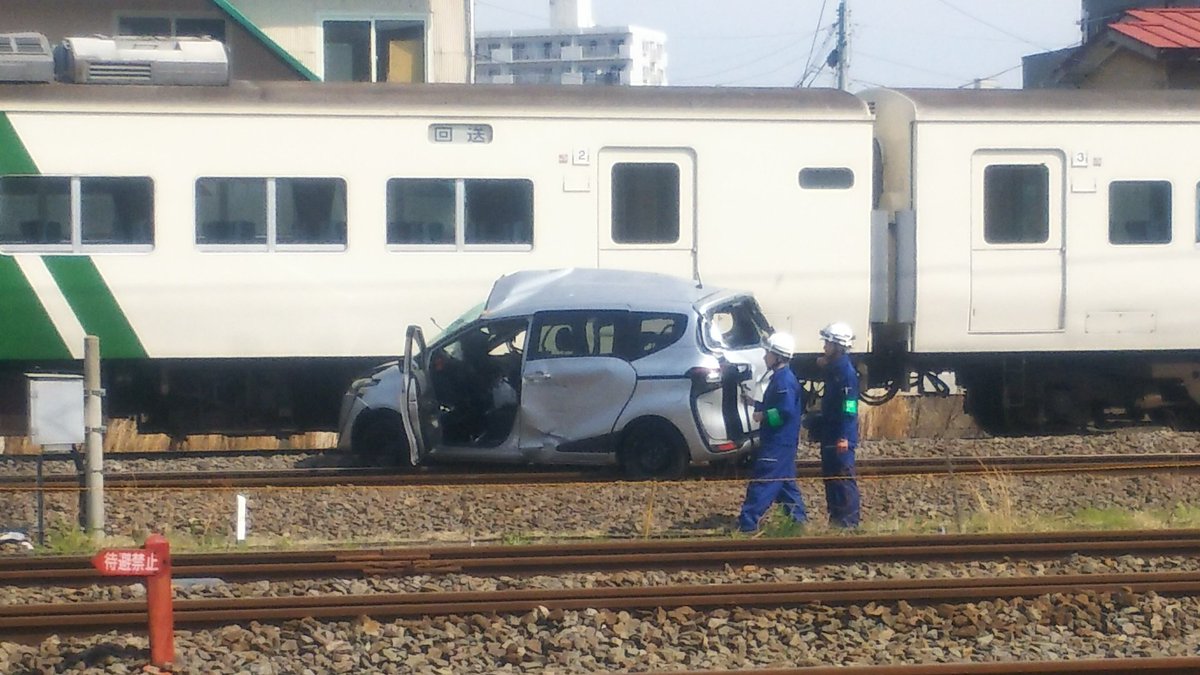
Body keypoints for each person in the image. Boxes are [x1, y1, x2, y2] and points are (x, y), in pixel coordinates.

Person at [737, 332, 807, 532]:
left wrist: (764, 416)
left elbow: (785, 412)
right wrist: (755, 403)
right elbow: (777, 405)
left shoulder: (783, 380)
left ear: (778, 356)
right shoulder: (781, 377)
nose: (764, 357)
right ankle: (798, 522)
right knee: (785, 485)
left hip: (778, 442)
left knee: (763, 482)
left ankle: (748, 525)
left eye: (767, 353)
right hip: (782, 442)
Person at [810, 322, 862, 528]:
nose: (824, 347)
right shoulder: (834, 370)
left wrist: (845, 438)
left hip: (840, 436)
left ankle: (849, 522)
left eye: (828, 343)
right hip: (830, 433)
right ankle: (837, 519)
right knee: (831, 477)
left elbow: (849, 409)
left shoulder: (846, 374)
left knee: (842, 477)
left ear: (838, 346)